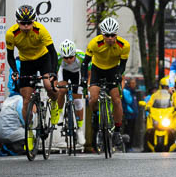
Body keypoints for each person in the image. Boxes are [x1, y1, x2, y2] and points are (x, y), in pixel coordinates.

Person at [6, 5, 59, 130]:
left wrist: (53, 72)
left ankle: (54, 103)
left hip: (43, 58)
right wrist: (15, 71)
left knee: (48, 84)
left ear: (34, 21)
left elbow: (53, 52)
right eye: (23, 23)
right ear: (17, 22)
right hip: (26, 62)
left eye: (29, 23)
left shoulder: (41, 30)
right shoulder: (11, 34)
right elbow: (10, 56)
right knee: (26, 99)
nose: (26, 26)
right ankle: (28, 130)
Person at [81, 17, 131, 149]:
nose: (110, 38)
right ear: (102, 34)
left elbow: (123, 65)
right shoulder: (94, 43)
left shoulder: (124, 45)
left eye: (113, 35)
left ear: (116, 34)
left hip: (113, 70)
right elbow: (85, 63)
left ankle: (117, 132)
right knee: (93, 99)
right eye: (107, 35)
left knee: (117, 100)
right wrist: (84, 78)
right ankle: (95, 116)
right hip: (97, 70)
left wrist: (118, 75)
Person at [55, 39, 86, 145]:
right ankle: (59, 113)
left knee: (77, 100)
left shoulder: (81, 56)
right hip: (64, 73)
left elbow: (88, 72)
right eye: (66, 58)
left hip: (78, 73)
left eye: (71, 57)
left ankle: (79, 129)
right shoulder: (58, 58)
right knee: (61, 90)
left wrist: (85, 85)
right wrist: (55, 84)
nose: (68, 60)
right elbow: (54, 73)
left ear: (75, 54)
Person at [122, 77, 139, 150]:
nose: (134, 84)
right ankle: (127, 146)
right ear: (129, 84)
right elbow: (128, 102)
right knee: (128, 131)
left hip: (133, 115)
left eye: (134, 83)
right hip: (128, 115)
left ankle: (130, 146)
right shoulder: (126, 91)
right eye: (132, 83)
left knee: (132, 131)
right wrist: (129, 111)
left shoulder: (133, 92)